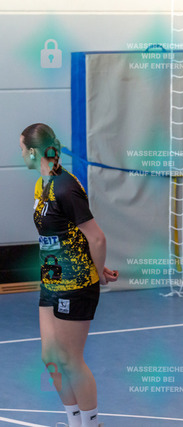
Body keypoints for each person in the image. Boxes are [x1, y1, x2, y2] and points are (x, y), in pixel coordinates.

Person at [20, 123, 118, 427]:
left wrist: (96, 271)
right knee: (51, 358)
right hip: (51, 279)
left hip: (75, 284)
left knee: (70, 360)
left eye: (22, 148)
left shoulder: (65, 187)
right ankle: (74, 422)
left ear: (33, 152)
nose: (20, 154)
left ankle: (91, 423)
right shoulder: (41, 185)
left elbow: (96, 237)